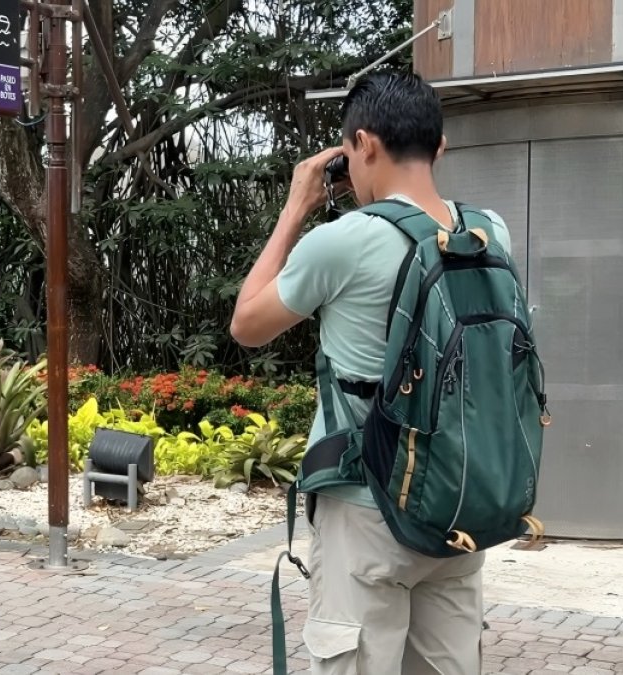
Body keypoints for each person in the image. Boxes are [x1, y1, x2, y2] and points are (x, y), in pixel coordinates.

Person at [229, 71, 513, 675]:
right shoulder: (491, 233)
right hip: (462, 502)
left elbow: (247, 324)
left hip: (367, 506)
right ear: (439, 148)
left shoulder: (345, 240)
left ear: (364, 145)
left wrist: (295, 206)